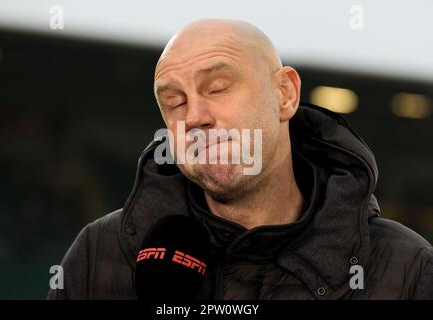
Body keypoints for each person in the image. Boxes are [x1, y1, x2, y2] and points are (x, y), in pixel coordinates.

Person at [48, 19, 433, 300]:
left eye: (217, 88)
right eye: (174, 101)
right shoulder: (99, 254)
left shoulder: (407, 268)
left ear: (285, 94)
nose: (194, 115)